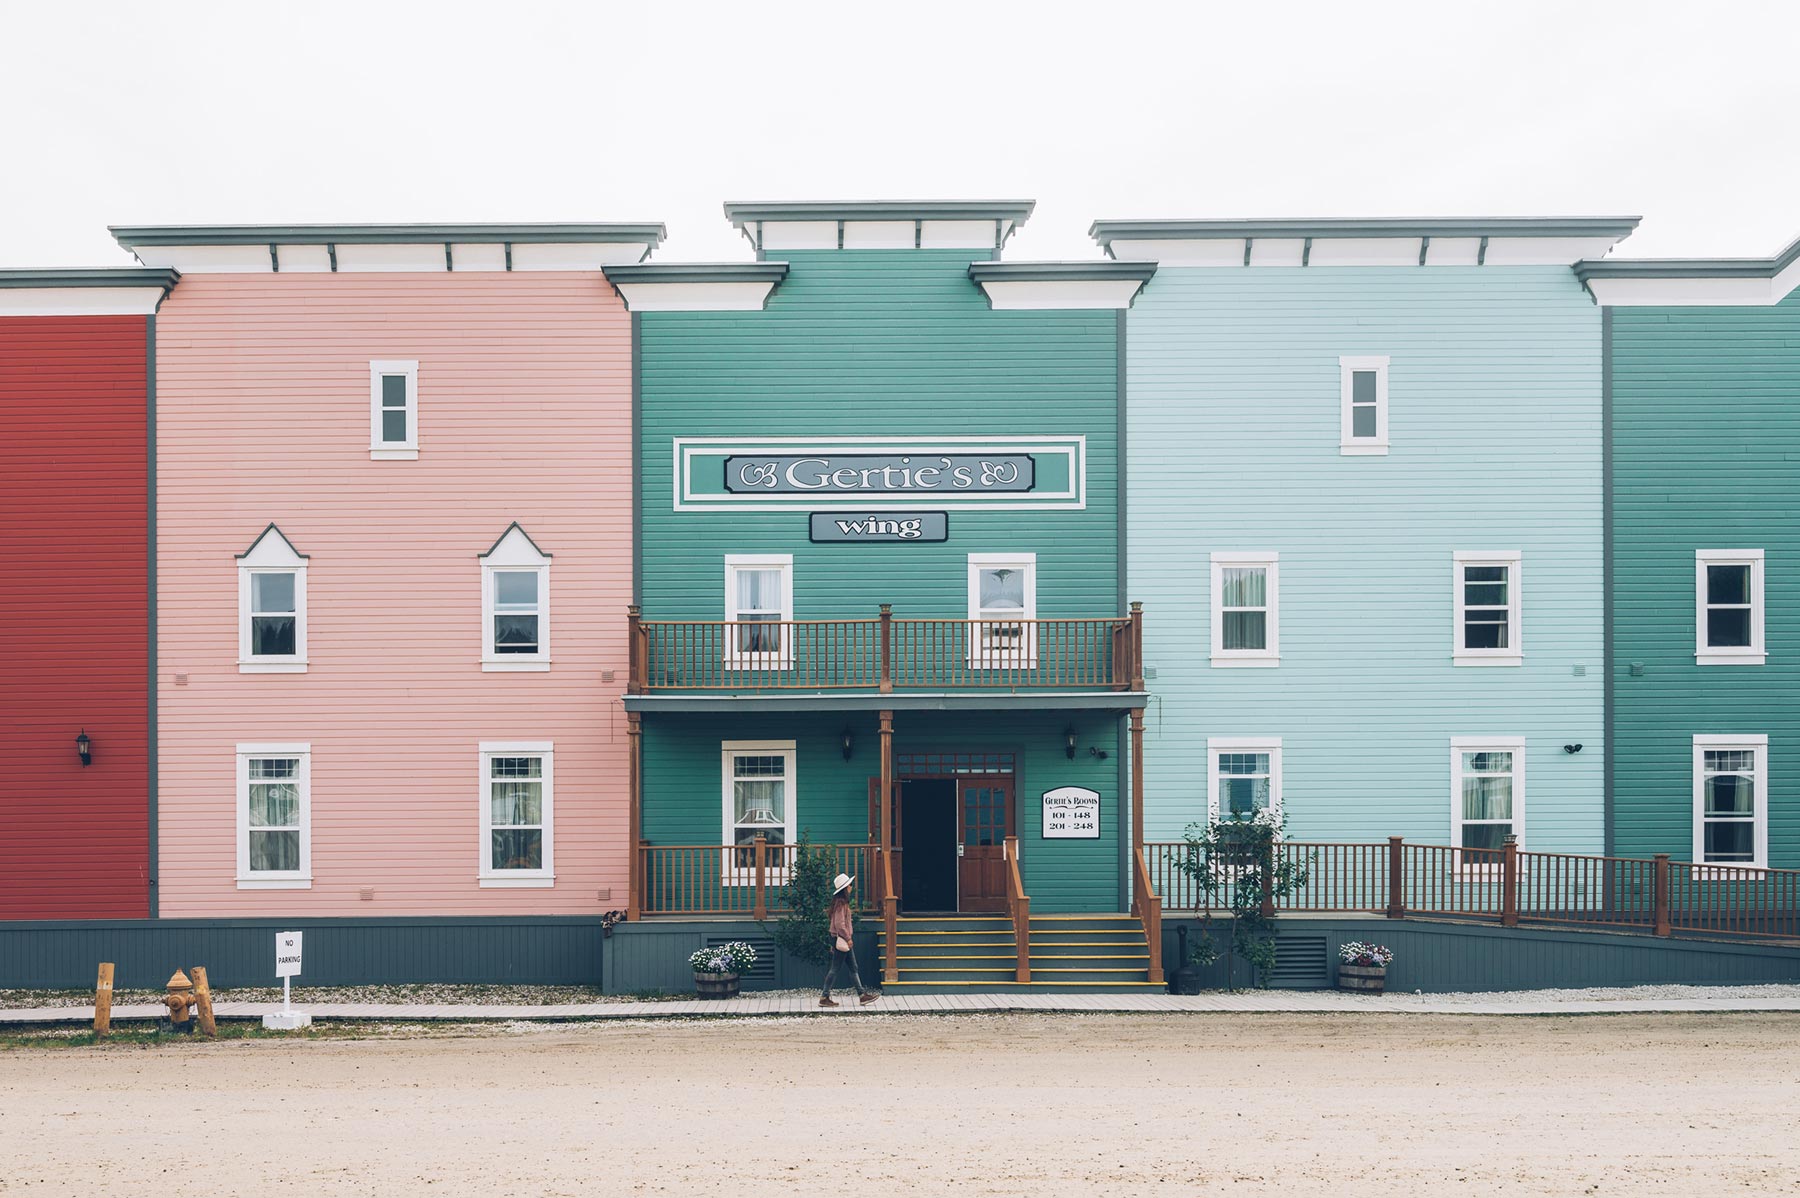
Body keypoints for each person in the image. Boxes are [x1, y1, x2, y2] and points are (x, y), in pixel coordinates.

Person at [821, 873, 877, 1006]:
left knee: (853, 967)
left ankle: (862, 995)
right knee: (836, 968)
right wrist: (848, 938)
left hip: (837, 938)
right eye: (849, 885)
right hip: (841, 939)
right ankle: (824, 997)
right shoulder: (841, 905)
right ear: (845, 888)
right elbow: (839, 925)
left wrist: (834, 941)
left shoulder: (839, 903)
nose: (851, 887)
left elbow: (834, 924)